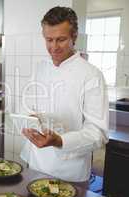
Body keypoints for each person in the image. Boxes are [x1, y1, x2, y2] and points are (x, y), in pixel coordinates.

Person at [20, 6, 109, 184]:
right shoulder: (41, 68)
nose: (53, 47)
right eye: (49, 40)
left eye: (61, 40)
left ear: (74, 36)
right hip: (35, 164)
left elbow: (98, 133)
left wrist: (60, 141)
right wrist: (28, 119)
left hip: (69, 172)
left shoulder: (91, 75)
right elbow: (30, 107)